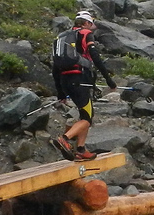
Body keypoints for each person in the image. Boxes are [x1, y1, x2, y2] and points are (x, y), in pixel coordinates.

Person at [50, 10, 117, 161]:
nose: (93, 26)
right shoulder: (86, 34)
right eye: (91, 22)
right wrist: (108, 80)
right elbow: (95, 57)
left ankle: (81, 149)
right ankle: (65, 139)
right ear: (85, 23)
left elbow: (55, 67)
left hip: (65, 80)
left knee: (85, 114)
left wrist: (60, 92)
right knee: (87, 118)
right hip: (79, 79)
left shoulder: (62, 37)